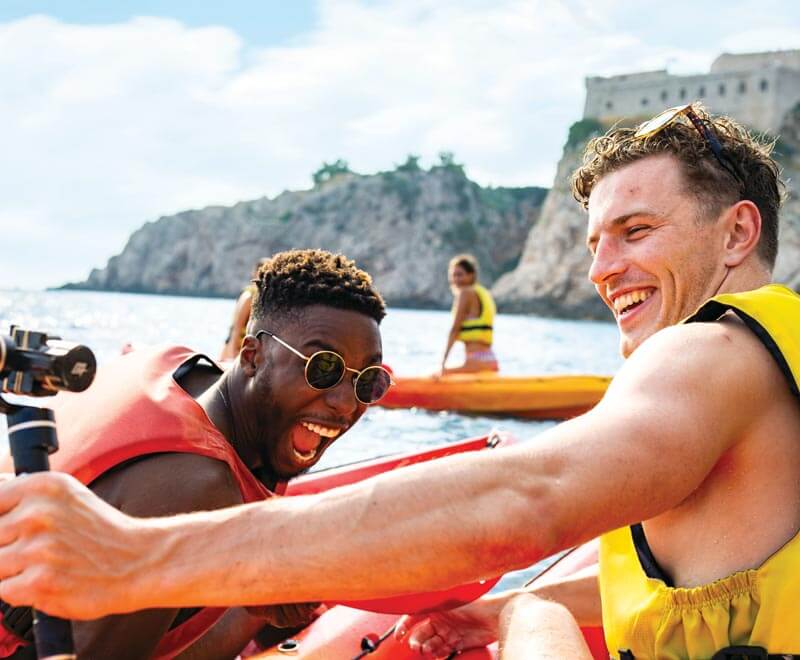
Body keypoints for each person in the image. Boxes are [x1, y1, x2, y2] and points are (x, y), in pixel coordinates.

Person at [1, 104, 798, 659]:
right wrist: (490, 609)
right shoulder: (770, 355)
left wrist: (133, 556)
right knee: (532, 603)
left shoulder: (709, 351)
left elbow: (523, 502)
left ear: (736, 232)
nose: (600, 269)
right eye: (594, 243)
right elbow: (677, 564)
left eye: (637, 231)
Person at [0, 248, 391, 660]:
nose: (346, 404)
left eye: (368, 382)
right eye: (322, 367)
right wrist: (253, 593)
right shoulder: (197, 488)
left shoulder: (178, 365)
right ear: (253, 356)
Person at [440, 254, 499, 374]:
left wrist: (442, 363)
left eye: (460, 274)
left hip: (477, 362)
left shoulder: (466, 293)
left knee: (437, 376)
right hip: (489, 359)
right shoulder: (481, 292)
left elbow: (455, 329)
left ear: (471, 275)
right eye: (453, 275)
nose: (456, 279)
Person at [219, 258, 268, 361]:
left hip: (248, 353)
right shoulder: (249, 296)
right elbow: (236, 328)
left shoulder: (264, 298)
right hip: (234, 349)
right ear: (255, 273)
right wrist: (233, 356)